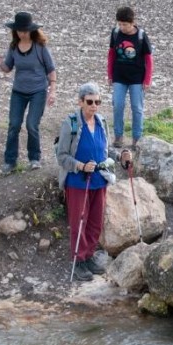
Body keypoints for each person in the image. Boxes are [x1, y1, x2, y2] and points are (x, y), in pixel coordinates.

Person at [56, 83, 126, 282]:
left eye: (97, 102)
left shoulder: (102, 121)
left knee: (95, 221)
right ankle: (78, 260)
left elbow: (106, 151)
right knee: (79, 221)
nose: (94, 106)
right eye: (90, 102)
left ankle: (89, 256)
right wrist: (80, 165)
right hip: (78, 181)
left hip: (98, 179)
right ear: (80, 102)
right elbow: (61, 157)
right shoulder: (70, 123)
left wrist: (121, 155)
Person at [0, 11, 57, 174]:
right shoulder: (14, 47)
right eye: (19, 30)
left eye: (24, 30)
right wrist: (0, 63)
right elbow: (8, 68)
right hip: (18, 91)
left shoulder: (40, 47)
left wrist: (52, 91)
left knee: (32, 124)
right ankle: (10, 161)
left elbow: (51, 70)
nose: (22, 33)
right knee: (14, 125)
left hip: (38, 91)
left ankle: (34, 158)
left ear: (31, 30)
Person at [106, 6, 153, 148]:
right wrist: (109, 74)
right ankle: (118, 136)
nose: (122, 27)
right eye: (119, 24)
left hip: (137, 78)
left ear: (132, 22)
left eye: (125, 24)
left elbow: (149, 59)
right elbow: (111, 54)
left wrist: (147, 79)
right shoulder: (115, 33)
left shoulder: (141, 36)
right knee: (118, 106)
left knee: (137, 108)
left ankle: (136, 139)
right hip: (119, 76)